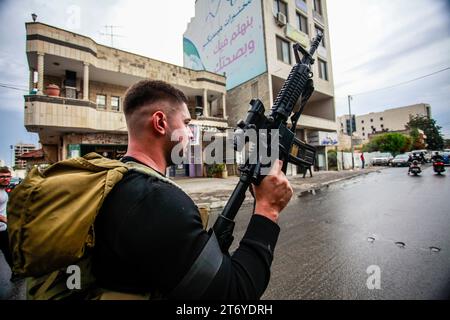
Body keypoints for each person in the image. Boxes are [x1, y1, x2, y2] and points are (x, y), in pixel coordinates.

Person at [92, 80, 294, 299]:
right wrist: (268, 209)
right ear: (160, 122)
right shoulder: (158, 202)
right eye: (186, 123)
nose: (190, 134)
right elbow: (234, 295)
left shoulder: (118, 183)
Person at [0, 167, 13, 272]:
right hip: (3, 226)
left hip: (3, 229)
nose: (5, 179)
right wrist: (6, 220)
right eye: (2, 177)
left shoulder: (3, 190)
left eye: (8, 176)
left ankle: (16, 273)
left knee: (8, 251)